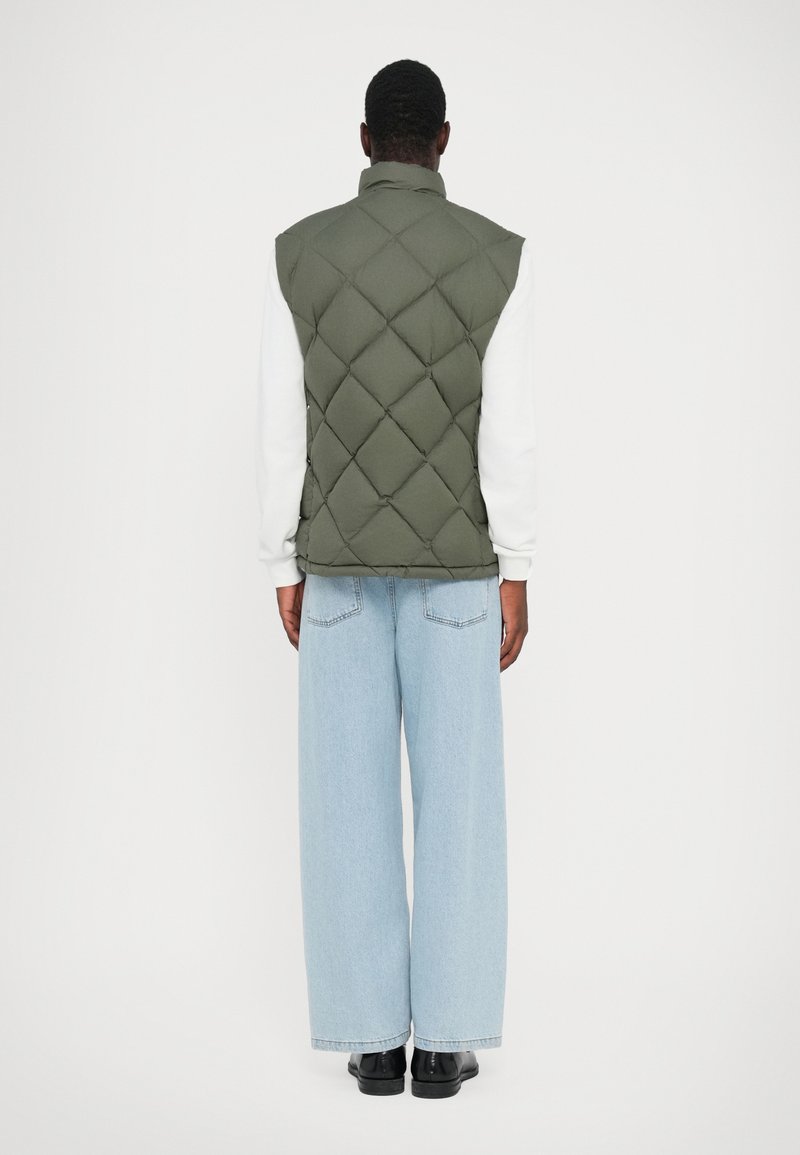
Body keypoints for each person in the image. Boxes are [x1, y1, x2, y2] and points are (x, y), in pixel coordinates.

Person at [256, 58, 536, 1099]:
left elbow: (279, 424)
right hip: (458, 573)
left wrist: (279, 557)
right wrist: (518, 567)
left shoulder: (298, 253)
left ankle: (371, 1042)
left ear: (366, 139)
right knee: (460, 803)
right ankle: (445, 1044)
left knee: (345, 798)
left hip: (333, 568)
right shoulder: (495, 256)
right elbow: (507, 433)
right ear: (443, 140)